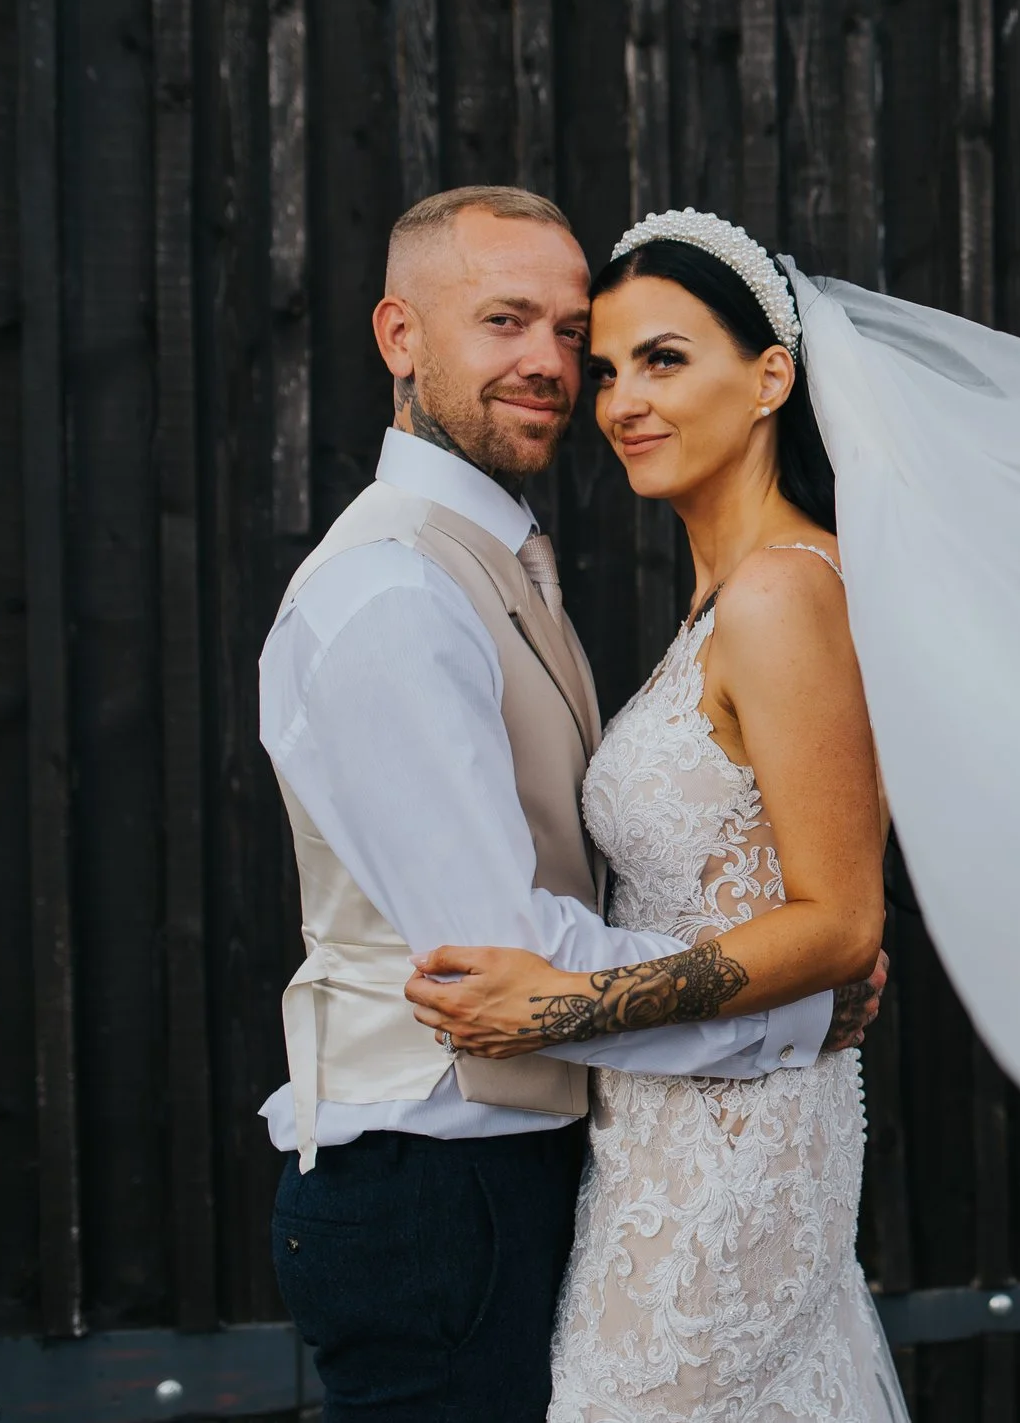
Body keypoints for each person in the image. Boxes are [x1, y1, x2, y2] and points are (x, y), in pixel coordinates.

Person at [261, 186, 885, 1423]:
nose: (566, 374)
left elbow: (798, 900)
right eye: (511, 325)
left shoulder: (723, 589)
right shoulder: (396, 592)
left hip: (620, 1155)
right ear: (401, 338)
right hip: (443, 1182)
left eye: (575, 338)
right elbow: (508, 975)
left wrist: (812, 954)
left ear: (769, 379)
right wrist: (793, 1005)